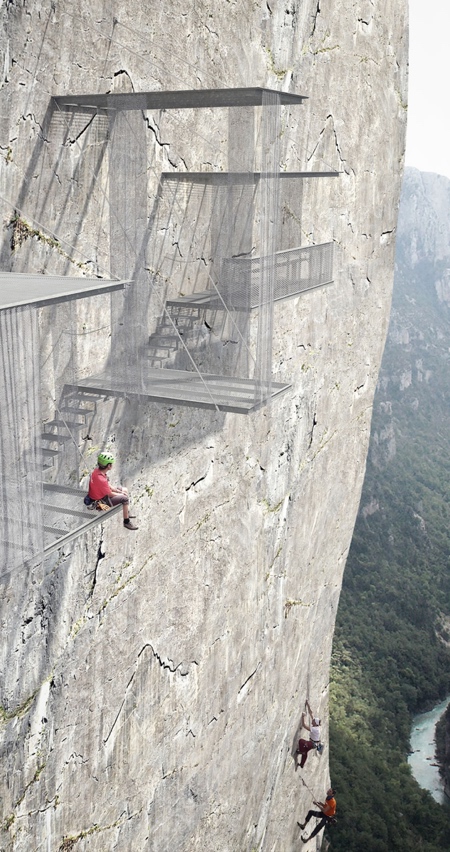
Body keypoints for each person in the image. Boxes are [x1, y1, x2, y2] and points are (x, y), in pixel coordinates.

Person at [88, 451, 138, 531]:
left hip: (100, 496)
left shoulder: (97, 472)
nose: (112, 465)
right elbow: (110, 494)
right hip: (101, 503)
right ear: (108, 465)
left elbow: (108, 486)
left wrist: (120, 492)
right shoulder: (101, 479)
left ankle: (127, 513)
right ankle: (126, 522)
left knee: (124, 490)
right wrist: (121, 495)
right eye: (111, 464)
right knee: (125, 498)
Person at [296, 700, 322, 767]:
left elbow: (304, 725)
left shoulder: (315, 729)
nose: (311, 722)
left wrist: (303, 716)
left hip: (312, 743)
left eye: (313, 721)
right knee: (305, 753)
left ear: (315, 723)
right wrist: (308, 704)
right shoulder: (316, 725)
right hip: (313, 744)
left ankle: (301, 751)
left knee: (301, 741)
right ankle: (301, 764)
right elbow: (311, 713)